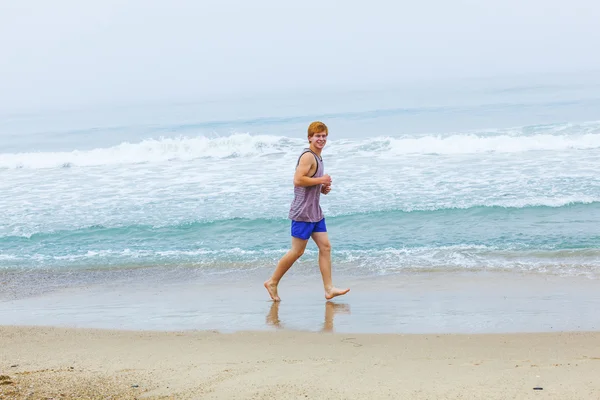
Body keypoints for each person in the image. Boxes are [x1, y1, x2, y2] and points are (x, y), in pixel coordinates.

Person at [264, 121, 350, 302]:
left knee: (325, 247)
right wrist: (320, 181)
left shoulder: (318, 156)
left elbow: (309, 181)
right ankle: (272, 282)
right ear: (310, 137)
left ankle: (329, 289)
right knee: (297, 251)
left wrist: (321, 188)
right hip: (303, 211)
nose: (321, 139)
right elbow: (298, 180)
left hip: (314, 211)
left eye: (324, 136)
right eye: (317, 136)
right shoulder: (308, 156)